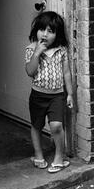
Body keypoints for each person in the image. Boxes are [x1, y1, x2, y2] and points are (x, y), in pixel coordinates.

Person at [25, 11, 73, 173]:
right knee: (36, 125)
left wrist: (70, 94)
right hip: (37, 95)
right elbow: (30, 72)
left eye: (50, 31)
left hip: (57, 95)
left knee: (56, 125)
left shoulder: (61, 50)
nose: (45, 34)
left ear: (57, 34)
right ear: (36, 31)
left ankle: (59, 157)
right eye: (41, 29)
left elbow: (66, 73)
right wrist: (37, 53)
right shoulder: (31, 49)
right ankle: (38, 156)